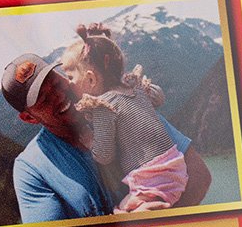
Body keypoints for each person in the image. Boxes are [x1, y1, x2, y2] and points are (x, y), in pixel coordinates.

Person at [1, 52, 210, 224]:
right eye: (44, 99)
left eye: (56, 83)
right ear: (29, 118)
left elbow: (199, 176)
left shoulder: (120, 104)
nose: (58, 95)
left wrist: (159, 224)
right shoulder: (31, 169)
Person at [61, 23, 187, 212]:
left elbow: (105, 156)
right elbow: (159, 98)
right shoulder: (134, 88)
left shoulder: (104, 106)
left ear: (91, 79)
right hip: (176, 165)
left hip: (151, 178)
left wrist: (90, 142)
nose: (68, 84)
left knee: (122, 211)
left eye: (70, 77)